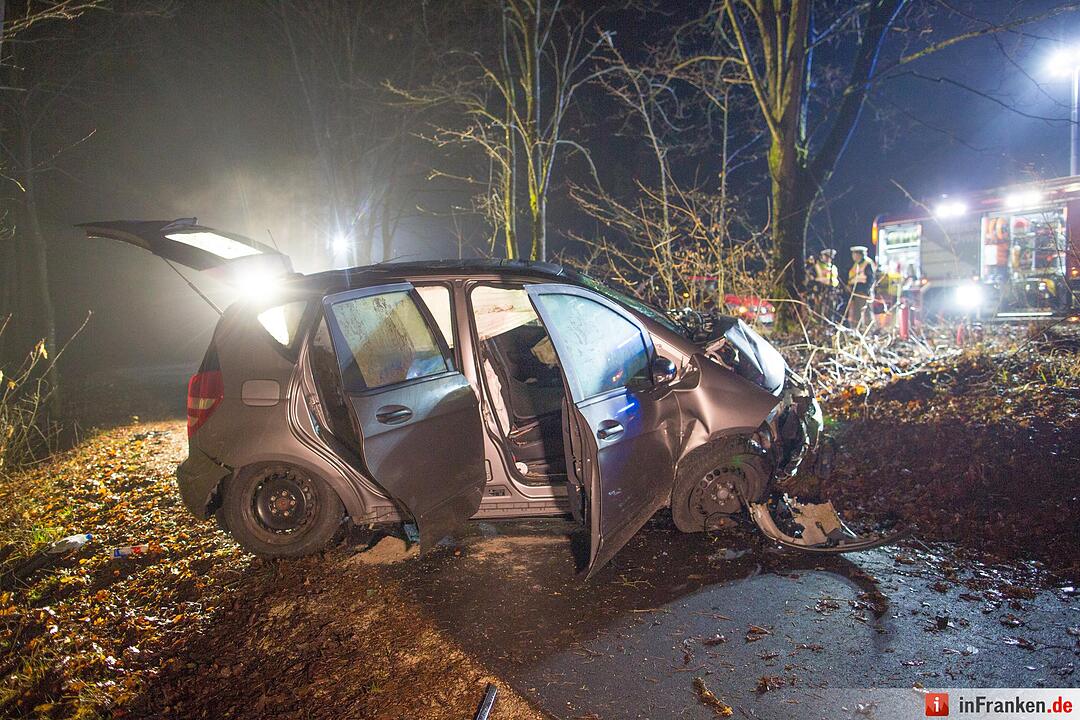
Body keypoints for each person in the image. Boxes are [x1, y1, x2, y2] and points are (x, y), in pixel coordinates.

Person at [846, 245, 877, 328]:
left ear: (859, 254)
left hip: (863, 291)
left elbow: (871, 279)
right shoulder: (856, 264)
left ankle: (869, 331)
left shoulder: (867, 263)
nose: (853, 256)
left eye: (854, 254)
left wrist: (866, 291)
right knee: (856, 313)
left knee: (866, 311)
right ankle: (857, 330)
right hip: (855, 292)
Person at [805, 248, 840, 321]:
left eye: (829, 257)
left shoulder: (833, 267)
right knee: (818, 309)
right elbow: (811, 278)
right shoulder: (816, 266)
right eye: (826, 256)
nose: (828, 258)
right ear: (822, 256)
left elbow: (835, 279)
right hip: (819, 291)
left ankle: (828, 325)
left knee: (830, 310)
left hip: (831, 291)